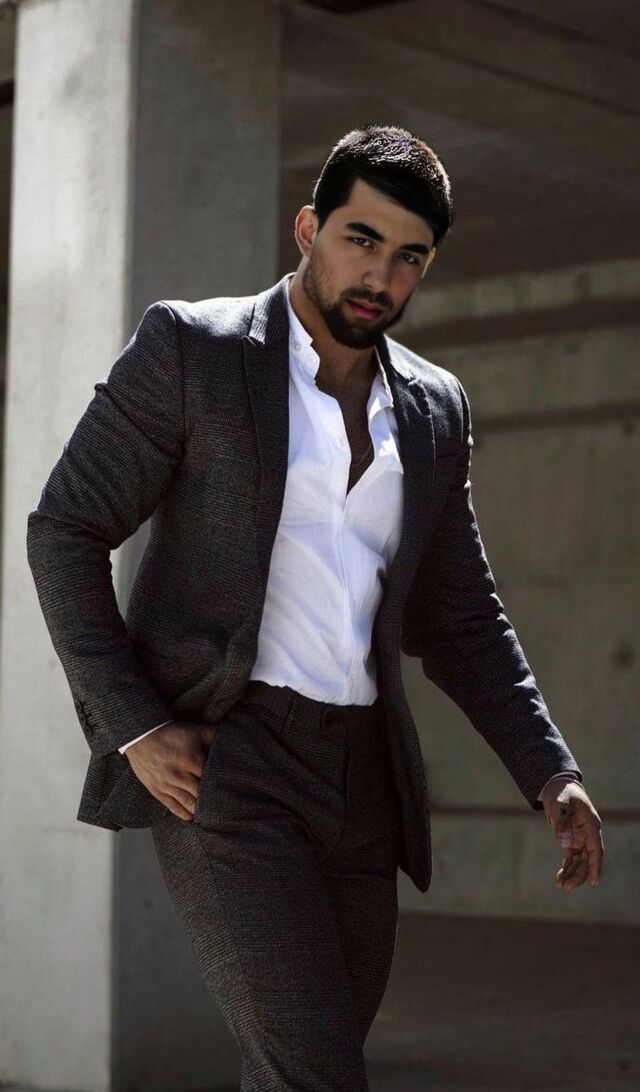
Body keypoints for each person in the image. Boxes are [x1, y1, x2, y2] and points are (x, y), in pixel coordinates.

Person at [27, 124, 604, 1091]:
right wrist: (134, 726)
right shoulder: (193, 351)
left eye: (409, 256)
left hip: (364, 784)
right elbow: (65, 529)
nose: (380, 274)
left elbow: (461, 616)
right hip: (231, 766)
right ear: (308, 228)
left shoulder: (435, 409)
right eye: (360, 239)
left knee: (300, 1071)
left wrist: (550, 770)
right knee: (318, 1076)